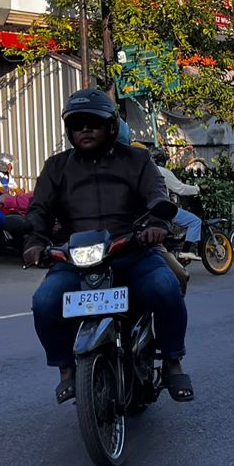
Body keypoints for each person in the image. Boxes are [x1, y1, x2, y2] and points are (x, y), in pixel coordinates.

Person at [23, 88, 193, 405]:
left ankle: (172, 362)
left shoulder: (137, 160)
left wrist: (156, 225)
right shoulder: (56, 167)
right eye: (78, 125)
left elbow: (157, 196)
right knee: (44, 301)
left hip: (131, 251)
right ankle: (66, 370)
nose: (85, 130)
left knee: (165, 287)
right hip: (77, 259)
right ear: (69, 131)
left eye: (93, 123)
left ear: (111, 127)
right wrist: (34, 241)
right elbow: (39, 210)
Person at [153, 149, 204, 254]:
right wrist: (197, 189)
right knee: (195, 221)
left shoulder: (141, 172)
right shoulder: (162, 172)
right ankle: (186, 252)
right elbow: (180, 188)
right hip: (161, 209)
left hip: (144, 212)